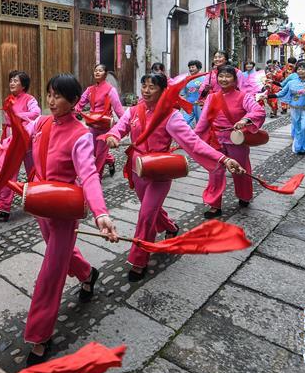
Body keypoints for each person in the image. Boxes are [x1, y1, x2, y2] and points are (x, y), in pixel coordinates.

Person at [0, 74, 118, 365]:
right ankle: (87, 274)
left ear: (74, 100)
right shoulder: (41, 124)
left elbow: (89, 175)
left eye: (58, 96)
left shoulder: (80, 135)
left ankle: (39, 335)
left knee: (51, 272)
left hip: (64, 209)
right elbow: (13, 140)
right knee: (62, 254)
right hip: (40, 202)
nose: (52, 101)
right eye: (50, 95)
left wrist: (101, 213)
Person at [103, 73, 243, 279]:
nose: (146, 90)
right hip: (138, 170)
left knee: (146, 215)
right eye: (144, 86)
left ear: (163, 91)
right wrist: (113, 136)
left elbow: (194, 143)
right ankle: (171, 226)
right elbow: (119, 128)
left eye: (152, 87)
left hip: (160, 171)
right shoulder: (133, 111)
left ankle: (139, 259)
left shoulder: (172, 116)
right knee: (152, 210)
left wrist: (223, 159)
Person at [194, 65, 266, 218]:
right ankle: (214, 205)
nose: (224, 79)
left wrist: (245, 120)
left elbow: (258, 111)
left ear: (235, 79)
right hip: (215, 140)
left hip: (236, 140)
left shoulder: (244, 97)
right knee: (215, 172)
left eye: (228, 76)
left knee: (240, 169)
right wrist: (192, 138)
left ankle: (244, 195)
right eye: (221, 76)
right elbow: (203, 120)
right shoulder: (211, 97)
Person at [0, 70, 43, 221]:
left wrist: (18, 116)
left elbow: (36, 112)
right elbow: (7, 124)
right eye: (11, 80)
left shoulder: (29, 99)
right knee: (7, 172)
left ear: (23, 85)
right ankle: (3, 208)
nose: (12, 83)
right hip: (11, 141)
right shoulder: (9, 99)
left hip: (26, 140)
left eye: (15, 80)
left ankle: (37, 201)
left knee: (33, 171)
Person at [75, 64, 125, 176]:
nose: (97, 72)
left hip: (104, 125)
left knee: (100, 154)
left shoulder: (111, 90)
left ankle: (96, 177)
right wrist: (73, 111)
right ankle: (110, 160)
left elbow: (118, 109)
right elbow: (80, 104)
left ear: (105, 74)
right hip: (93, 124)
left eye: (100, 71)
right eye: (96, 70)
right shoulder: (89, 90)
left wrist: (125, 123)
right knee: (92, 150)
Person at [180, 60, 204, 127]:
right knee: (184, 121)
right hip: (189, 104)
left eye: (193, 67)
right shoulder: (187, 79)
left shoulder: (204, 78)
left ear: (198, 68)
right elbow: (183, 93)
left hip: (200, 104)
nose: (190, 69)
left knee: (200, 122)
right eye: (189, 67)